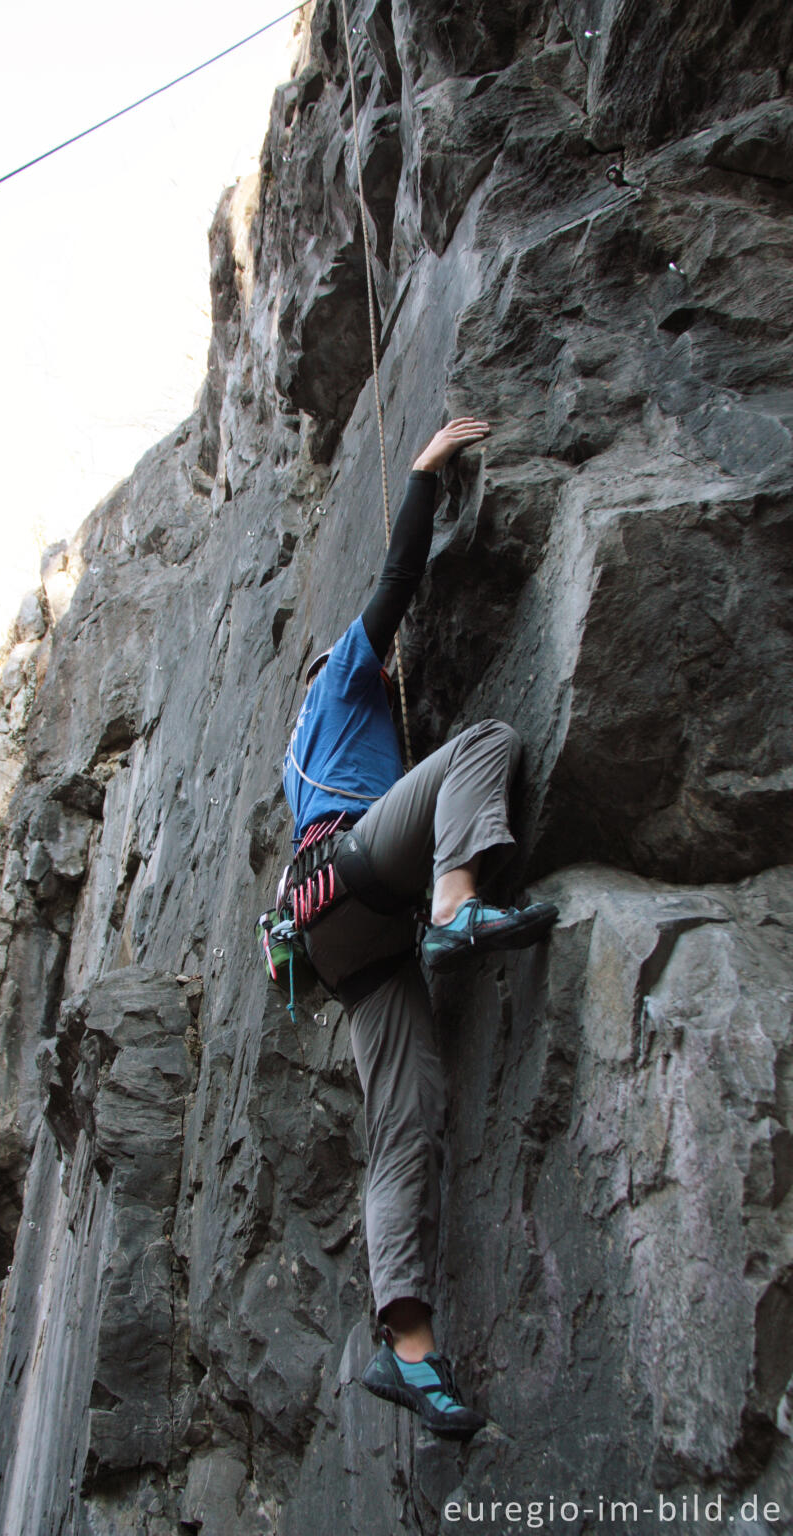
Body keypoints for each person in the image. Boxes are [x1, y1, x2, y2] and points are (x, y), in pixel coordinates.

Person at [280, 416, 558, 1438]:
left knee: (406, 1127)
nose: (385, 677)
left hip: (331, 943)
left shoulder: (297, 762)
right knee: (484, 741)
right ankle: (457, 908)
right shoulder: (341, 681)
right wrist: (422, 478)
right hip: (359, 880)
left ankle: (408, 1351)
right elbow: (394, 590)